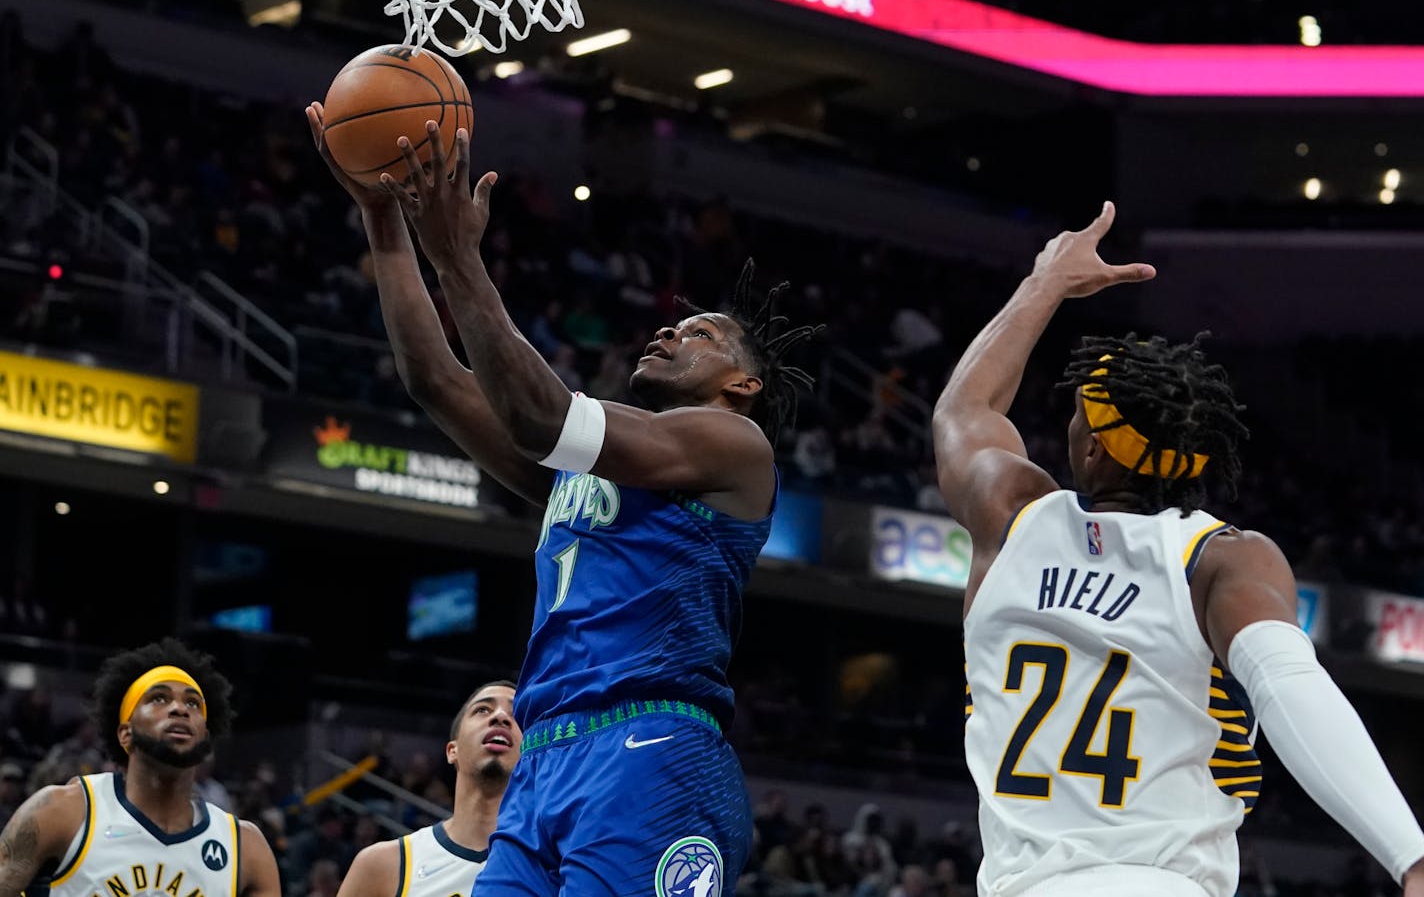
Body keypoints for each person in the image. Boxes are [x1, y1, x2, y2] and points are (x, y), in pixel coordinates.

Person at [305, 110, 820, 896]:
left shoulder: (733, 445)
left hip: (652, 749)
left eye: (701, 334)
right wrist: (383, 220)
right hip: (546, 761)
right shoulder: (582, 476)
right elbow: (435, 381)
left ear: (742, 384)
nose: (669, 333)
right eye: (672, 324)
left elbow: (543, 414)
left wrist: (458, 258)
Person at [933, 201, 1424, 897]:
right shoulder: (1221, 559)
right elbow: (1291, 686)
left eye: (1077, 410)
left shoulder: (1008, 515)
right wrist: (1410, 854)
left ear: (1093, 446)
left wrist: (1045, 283)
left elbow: (966, 411)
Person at [0, 638, 281, 896]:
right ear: (126, 733)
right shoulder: (61, 811)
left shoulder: (246, 848)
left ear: (204, 737)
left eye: (193, 703)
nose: (180, 709)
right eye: (159, 698)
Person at [335, 681, 521, 897]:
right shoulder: (381, 866)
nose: (500, 717)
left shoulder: (552, 866)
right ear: (453, 750)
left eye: (516, 714)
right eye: (482, 710)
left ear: (531, 752)